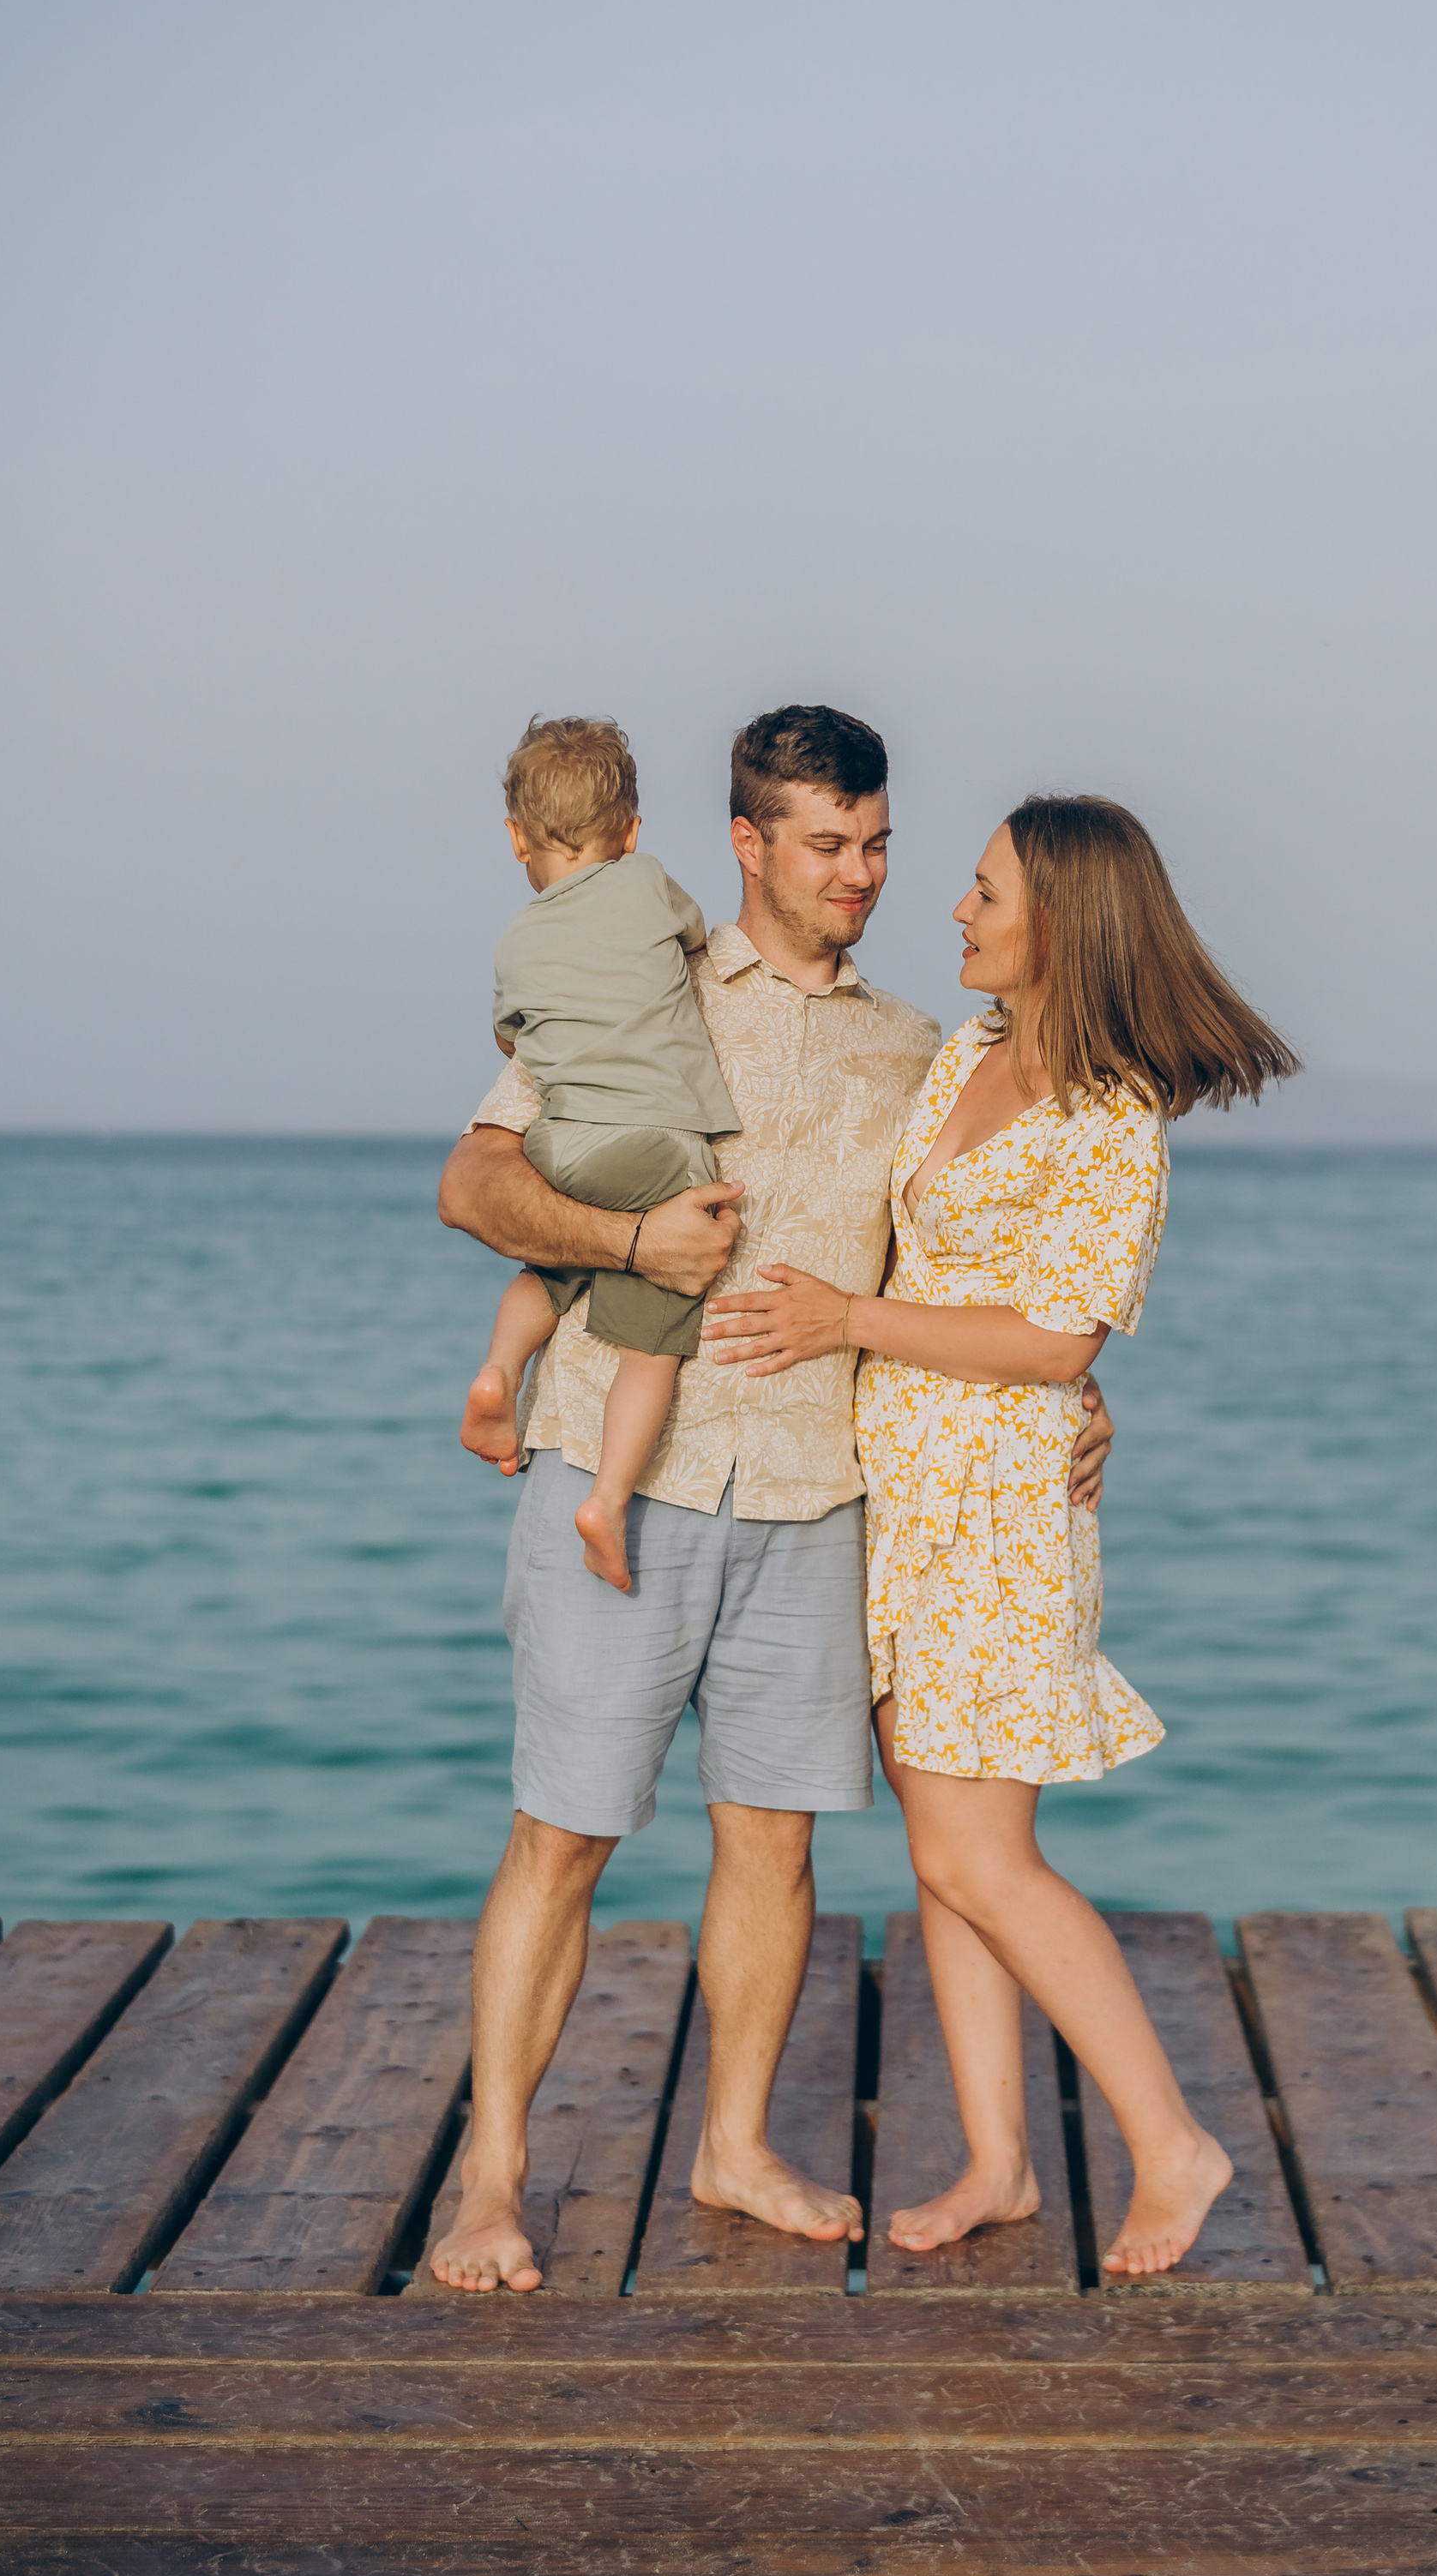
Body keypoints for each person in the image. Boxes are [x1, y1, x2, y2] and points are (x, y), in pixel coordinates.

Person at [430, 709, 1115, 2292]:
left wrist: (1082, 1402)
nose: (862, 876)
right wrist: (625, 1250)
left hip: (819, 1498)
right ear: (747, 843)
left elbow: (982, 1275)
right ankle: (493, 2179)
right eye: (827, 845)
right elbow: (474, 1181)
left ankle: (734, 2145)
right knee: (562, 1837)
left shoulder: (922, 1052)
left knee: (775, 1847)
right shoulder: (639, 990)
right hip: (623, 1466)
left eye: (878, 844)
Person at [702, 792, 1296, 2279]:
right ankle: (1001, 2165)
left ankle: (1173, 2145)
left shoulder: (1111, 1118)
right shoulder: (967, 1054)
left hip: (1001, 1516)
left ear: (1064, 924)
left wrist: (849, 1323)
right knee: (946, 1854)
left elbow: (1057, 1339)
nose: (952, 913)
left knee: (989, 1858)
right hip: (898, 1498)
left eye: (982, 894)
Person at [464, 713, 742, 1594]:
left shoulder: (516, 939)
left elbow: (513, 1037)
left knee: (552, 1264)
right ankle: (608, 1499)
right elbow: (699, 948)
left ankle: (498, 1370)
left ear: (516, 840)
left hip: (561, 1140)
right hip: (659, 1140)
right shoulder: (649, 883)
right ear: (630, 832)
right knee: (654, 1343)